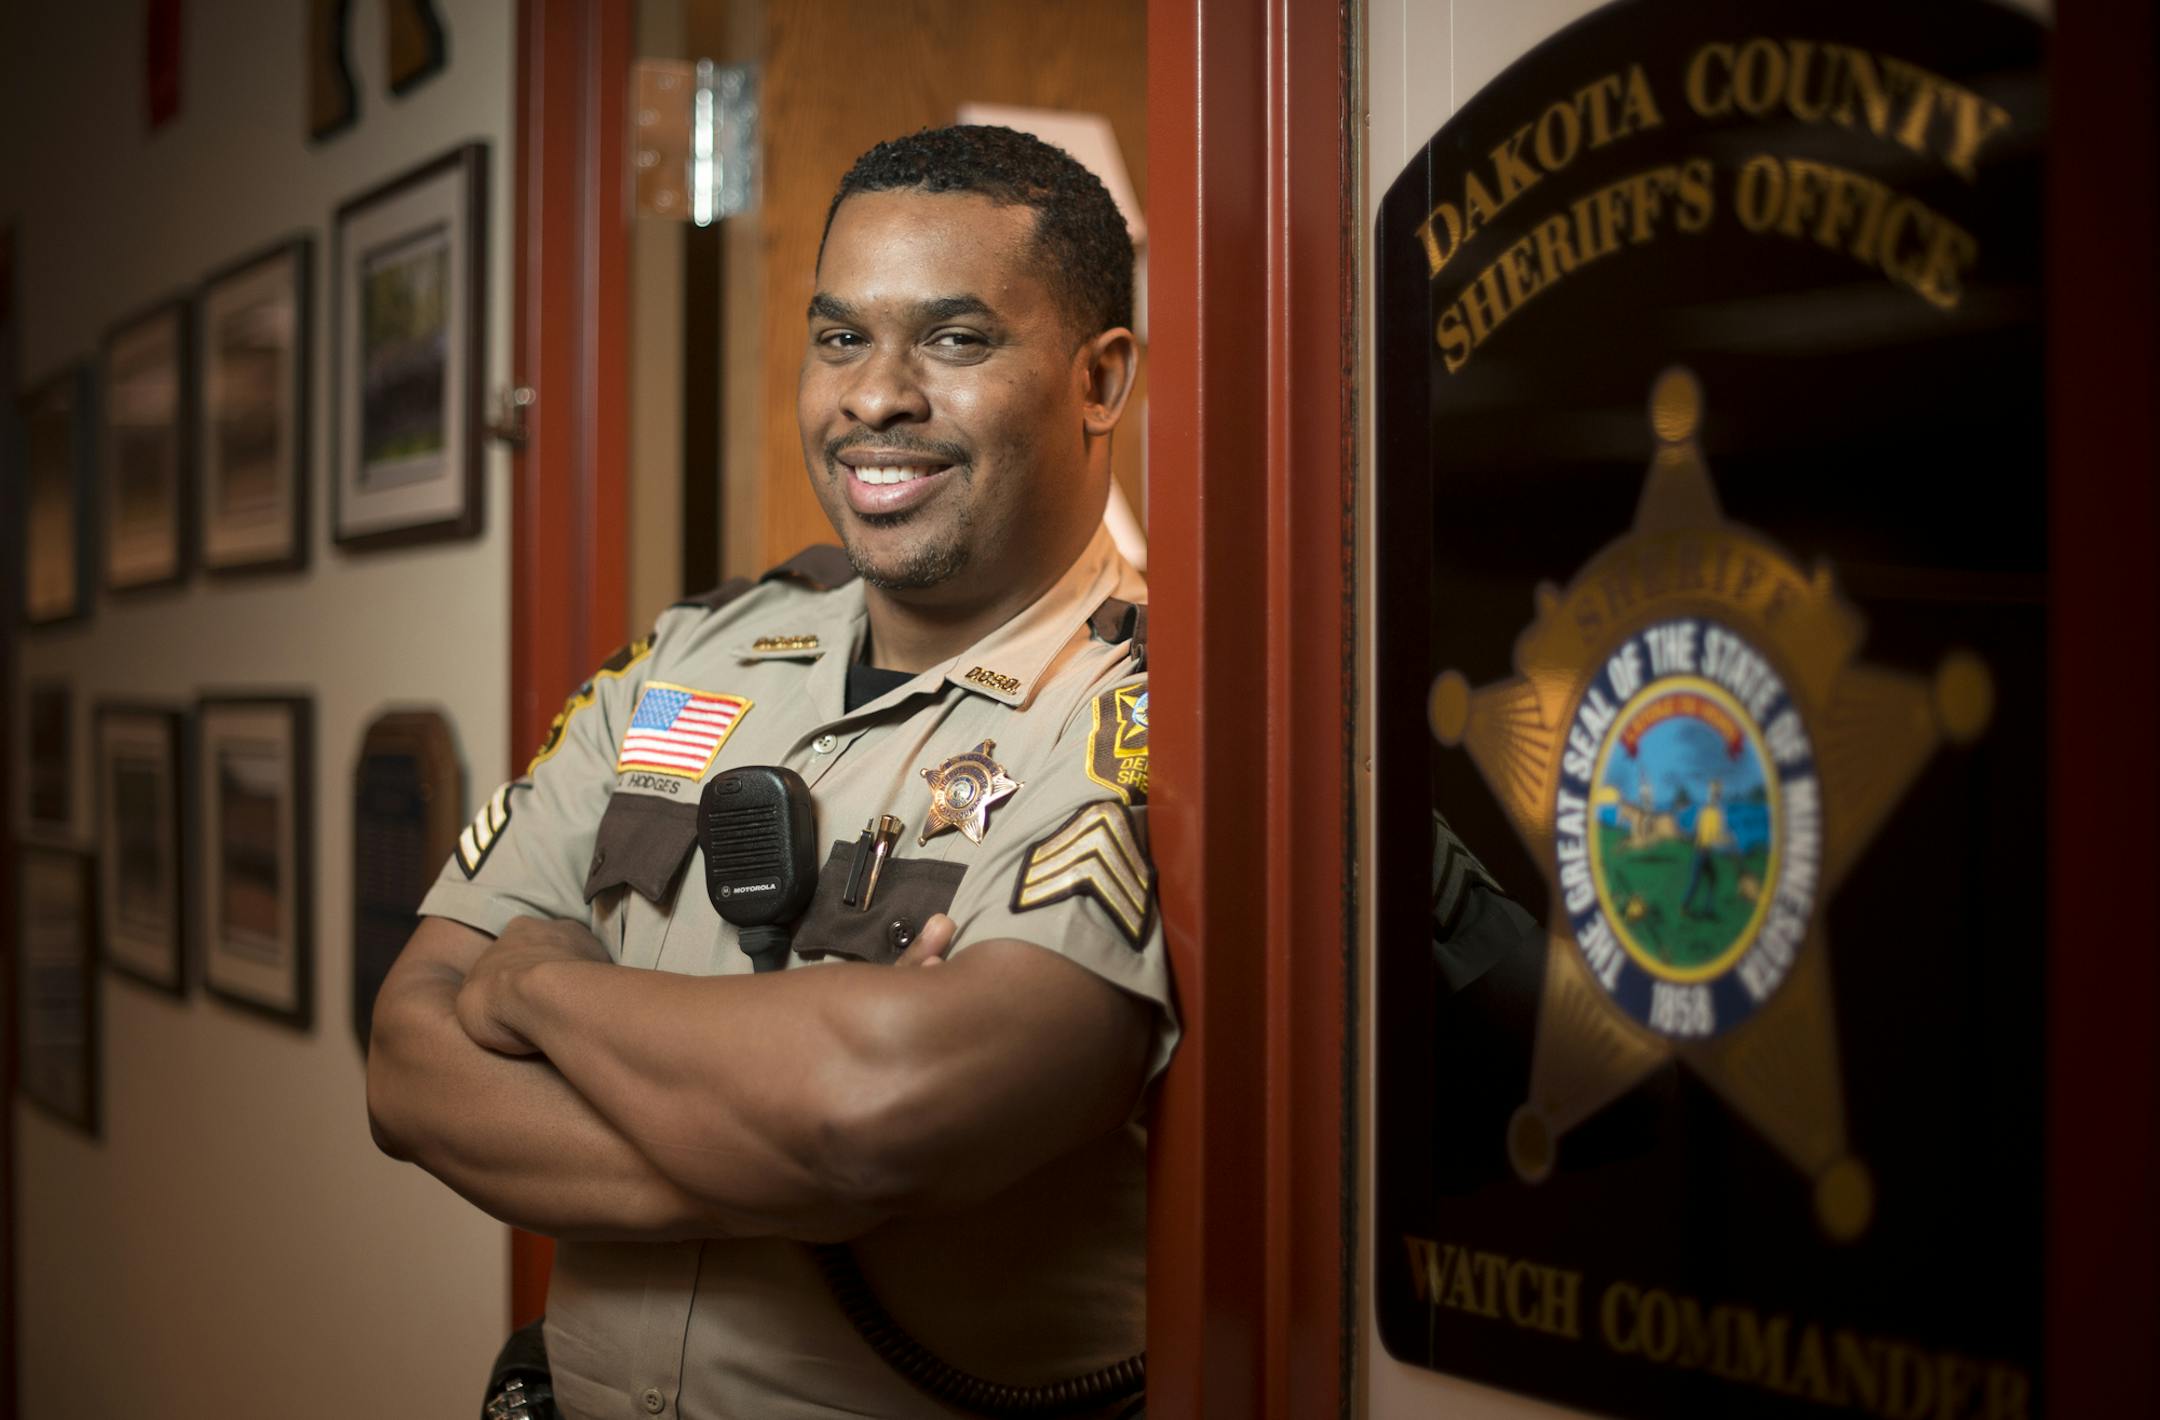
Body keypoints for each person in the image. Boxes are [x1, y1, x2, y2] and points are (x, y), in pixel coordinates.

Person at [366, 125, 1174, 1420]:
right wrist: (798, 1167)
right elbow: (409, 1066)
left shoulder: (1147, 713)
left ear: (1100, 378)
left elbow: (881, 1109)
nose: (873, 397)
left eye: (955, 340)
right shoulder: (689, 670)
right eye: (841, 336)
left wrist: (538, 984)